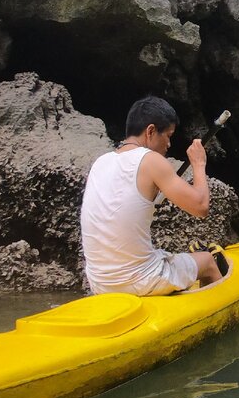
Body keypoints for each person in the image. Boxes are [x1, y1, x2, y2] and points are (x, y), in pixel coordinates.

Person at [80, 96, 223, 295]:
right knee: (207, 261)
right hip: (139, 281)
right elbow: (201, 207)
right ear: (150, 131)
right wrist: (199, 164)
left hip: (100, 283)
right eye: (168, 135)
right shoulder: (151, 161)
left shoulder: (100, 163)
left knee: (162, 257)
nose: (169, 144)